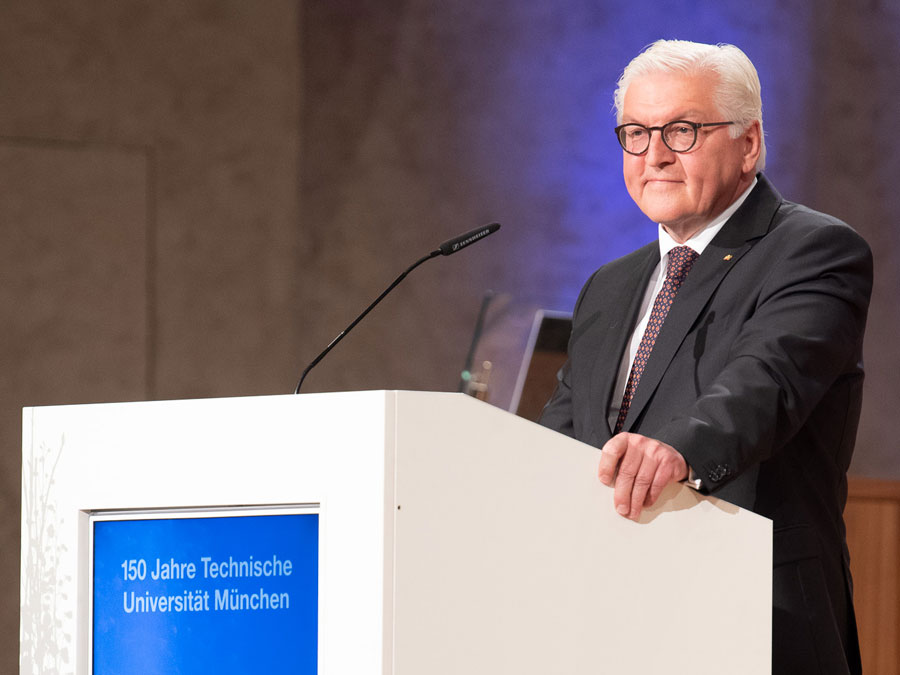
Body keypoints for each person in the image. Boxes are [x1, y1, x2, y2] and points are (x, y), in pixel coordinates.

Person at [539, 39, 871, 674]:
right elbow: (563, 434)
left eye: (681, 130)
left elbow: (765, 383)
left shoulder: (814, 250)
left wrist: (678, 449)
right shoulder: (609, 284)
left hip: (755, 613)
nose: (654, 155)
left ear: (749, 143)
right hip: (611, 621)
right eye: (636, 133)